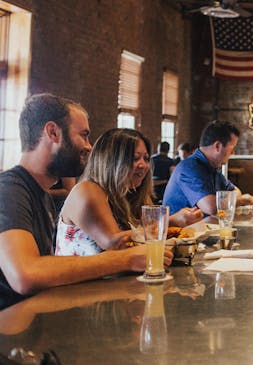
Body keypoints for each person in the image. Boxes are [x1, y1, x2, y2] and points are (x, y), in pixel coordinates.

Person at [0, 93, 171, 310]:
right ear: (52, 132)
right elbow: (26, 274)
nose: (90, 147)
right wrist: (126, 259)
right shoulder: (9, 189)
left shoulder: (39, 192)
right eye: (84, 135)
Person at [56, 128, 203, 256]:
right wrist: (170, 221)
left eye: (146, 158)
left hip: (120, 283)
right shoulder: (87, 190)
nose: (143, 165)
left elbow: (147, 240)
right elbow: (115, 244)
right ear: (111, 161)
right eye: (135, 158)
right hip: (81, 287)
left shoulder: (132, 193)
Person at [163, 120, 253, 217]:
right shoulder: (190, 168)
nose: (233, 154)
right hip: (179, 231)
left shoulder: (211, 167)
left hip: (199, 228)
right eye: (232, 149)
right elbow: (210, 206)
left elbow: (236, 191)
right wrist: (240, 201)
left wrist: (226, 200)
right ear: (217, 146)